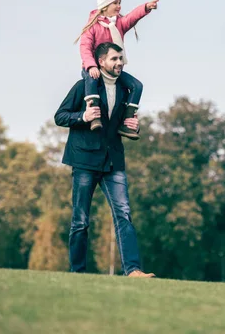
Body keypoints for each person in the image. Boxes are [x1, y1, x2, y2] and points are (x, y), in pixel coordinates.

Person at [54, 42, 155, 278]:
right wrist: (84, 116)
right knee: (80, 221)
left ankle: (133, 270)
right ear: (101, 62)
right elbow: (60, 116)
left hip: (113, 162)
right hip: (84, 161)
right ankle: (77, 273)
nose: (119, 63)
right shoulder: (83, 87)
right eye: (114, 59)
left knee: (124, 214)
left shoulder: (125, 91)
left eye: (121, 58)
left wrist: (133, 125)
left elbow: (121, 124)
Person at [74, 0, 159, 140]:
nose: (119, 6)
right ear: (105, 6)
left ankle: (127, 122)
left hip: (113, 69)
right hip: (94, 67)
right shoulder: (93, 26)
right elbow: (85, 47)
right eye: (116, 3)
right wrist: (92, 65)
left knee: (136, 86)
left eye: (120, 3)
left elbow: (131, 18)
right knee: (92, 79)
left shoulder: (118, 23)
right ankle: (94, 115)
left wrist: (145, 8)